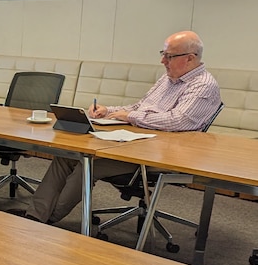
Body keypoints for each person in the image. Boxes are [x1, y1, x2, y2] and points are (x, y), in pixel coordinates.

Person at [23, 30, 222, 224]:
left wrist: (131, 116)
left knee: (88, 162)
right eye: (163, 55)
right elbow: (139, 107)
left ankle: (49, 218)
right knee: (66, 156)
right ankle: (35, 215)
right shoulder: (168, 79)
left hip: (162, 154)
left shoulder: (203, 85)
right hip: (139, 143)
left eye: (169, 56)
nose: (163, 61)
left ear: (189, 58)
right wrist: (108, 111)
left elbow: (178, 121)